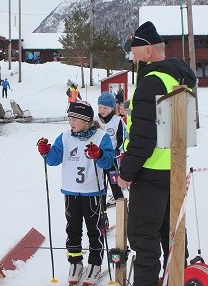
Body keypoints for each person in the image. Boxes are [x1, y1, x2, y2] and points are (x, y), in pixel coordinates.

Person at [117, 21, 197, 286]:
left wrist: (126, 172)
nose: (133, 56)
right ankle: (177, 278)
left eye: (135, 51)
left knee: (144, 239)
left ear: (148, 51)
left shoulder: (150, 82)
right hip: (173, 170)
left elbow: (144, 137)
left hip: (150, 173)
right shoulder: (176, 77)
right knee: (172, 233)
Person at [36, 101, 114, 285]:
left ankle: (95, 265)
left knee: (94, 230)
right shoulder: (65, 137)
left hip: (93, 192)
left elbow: (108, 162)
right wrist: (45, 152)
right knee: (72, 230)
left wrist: (99, 154)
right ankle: (75, 262)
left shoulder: (101, 137)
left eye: (75, 119)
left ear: (86, 121)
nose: (71, 122)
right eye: (70, 118)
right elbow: (54, 159)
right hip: (71, 192)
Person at [94, 92, 125, 208]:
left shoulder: (117, 121)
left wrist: (116, 151)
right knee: (100, 185)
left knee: (115, 183)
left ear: (112, 108)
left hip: (112, 160)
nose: (102, 110)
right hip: (99, 158)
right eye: (100, 107)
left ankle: (121, 207)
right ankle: (101, 209)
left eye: (105, 108)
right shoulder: (96, 120)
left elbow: (122, 139)